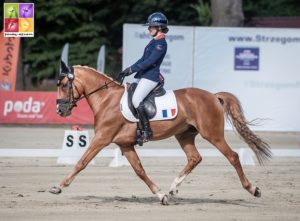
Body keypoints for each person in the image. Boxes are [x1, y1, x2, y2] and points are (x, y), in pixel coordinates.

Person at [117, 12, 169, 144]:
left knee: (136, 99)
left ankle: (146, 131)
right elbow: (142, 59)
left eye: (151, 27)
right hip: (145, 76)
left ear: (159, 27)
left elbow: (150, 61)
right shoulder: (153, 42)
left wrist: (133, 69)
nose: (148, 29)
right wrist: (128, 70)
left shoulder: (161, 43)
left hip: (151, 77)